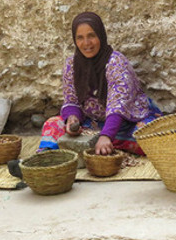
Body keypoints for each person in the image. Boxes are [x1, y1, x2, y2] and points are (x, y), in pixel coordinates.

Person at [37, 11, 163, 156]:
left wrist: (106, 136)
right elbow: (71, 100)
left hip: (127, 123)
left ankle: (103, 143)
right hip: (93, 124)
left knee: (150, 135)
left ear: (100, 36)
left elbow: (119, 106)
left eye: (91, 36)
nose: (86, 43)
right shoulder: (72, 64)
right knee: (52, 123)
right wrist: (72, 118)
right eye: (80, 38)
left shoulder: (116, 62)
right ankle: (43, 157)